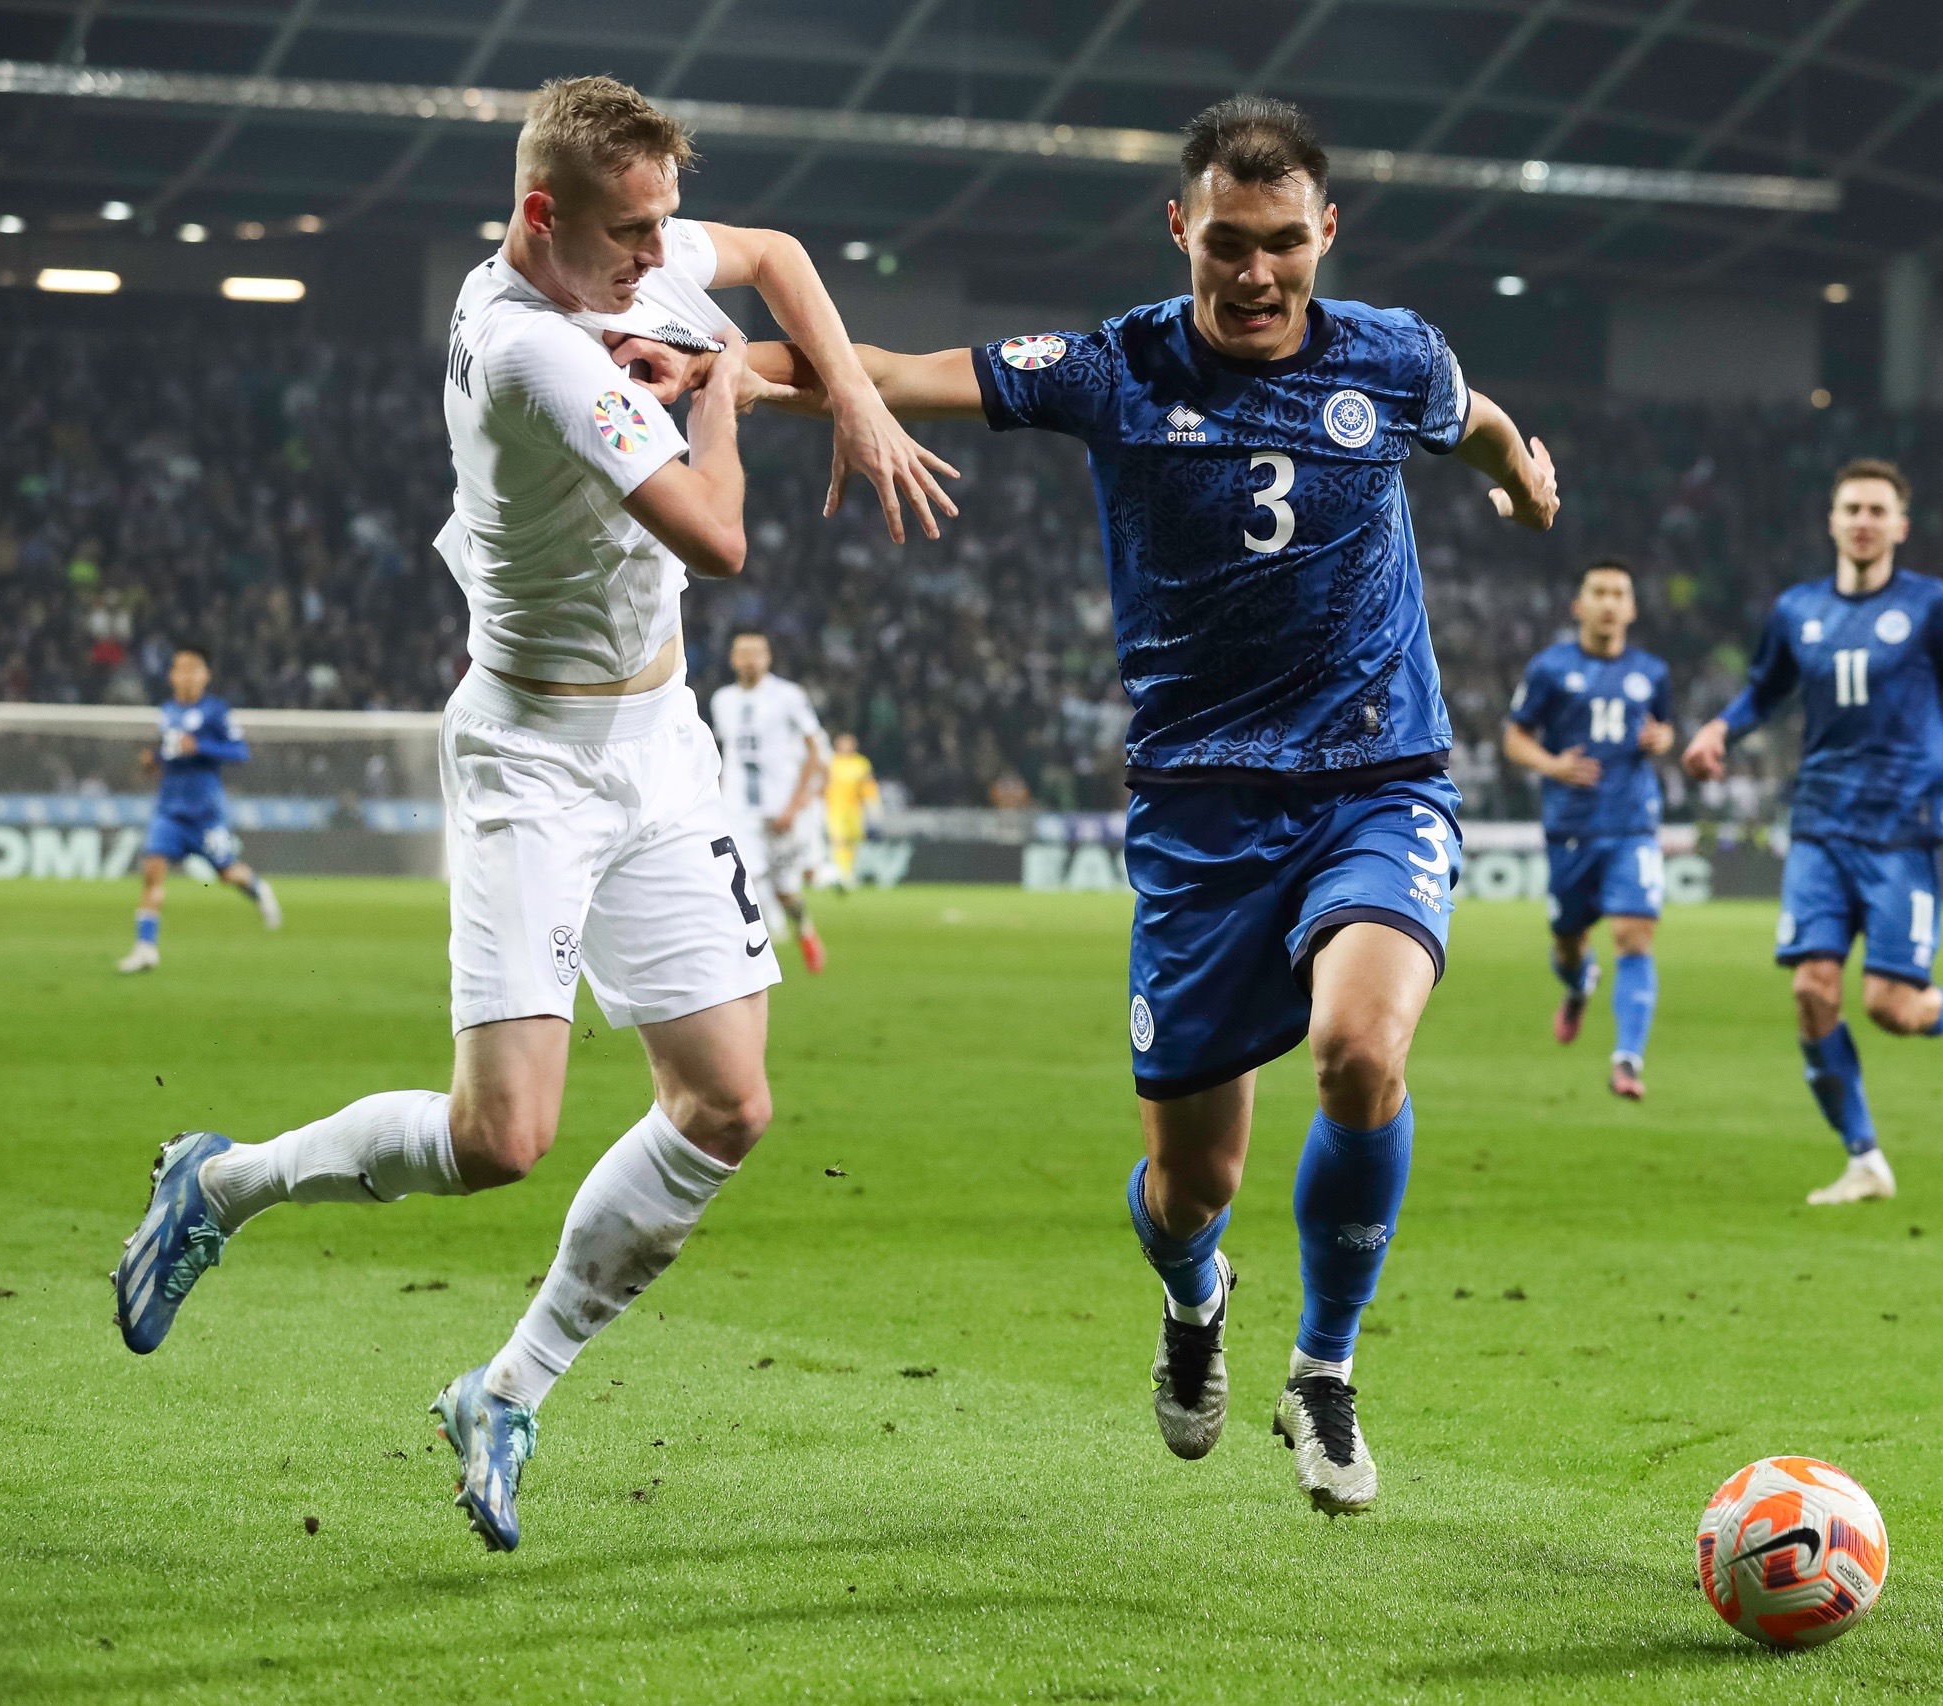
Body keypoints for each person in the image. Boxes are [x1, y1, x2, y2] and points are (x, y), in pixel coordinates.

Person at [630, 95, 1558, 1513]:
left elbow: (1473, 419)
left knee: (1360, 1051)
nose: (1257, 274)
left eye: (1285, 243)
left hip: (1376, 776)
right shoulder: (1114, 366)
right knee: (1192, 1187)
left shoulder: (1393, 355)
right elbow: (898, 369)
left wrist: (1520, 480)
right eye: (1228, 243)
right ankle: (1195, 1297)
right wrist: (728, 370)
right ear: (1180, 228)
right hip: (1198, 814)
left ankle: (1324, 1366)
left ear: (1327, 233)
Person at [111, 75, 957, 1554]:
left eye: (664, 224)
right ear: (540, 214)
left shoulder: (619, 269)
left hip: (661, 742)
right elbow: (721, 536)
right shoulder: (529, 354)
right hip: (534, 756)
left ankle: (506, 1387)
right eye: (630, 234)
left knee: (728, 1103)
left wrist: (852, 389)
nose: (658, 255)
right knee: (501, 1135)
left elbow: (775, 258)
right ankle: (225, 1182)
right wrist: (726, 393)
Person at [1681, 458, 1943, 1207]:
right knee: (1812, 990)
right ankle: (1865, 1160)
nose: (1863, 521)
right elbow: (1764, 690)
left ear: (1901, 526)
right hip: (1821, 825)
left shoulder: (1930, 605)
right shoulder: (1797, 609)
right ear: (1831, 521)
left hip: (1901, 830)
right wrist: (1720, 730)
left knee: (1893, 1007)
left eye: (1877, 510)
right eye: (1852, 508)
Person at [1501, 560, 1672, 1099]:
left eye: (1619, 593)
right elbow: (1515, 737)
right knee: (1568, 945)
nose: (1609, 602)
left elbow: (1663, 728)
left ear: (1632, 608)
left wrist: (1662, 740)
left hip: (1632, 823)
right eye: (1599, 592)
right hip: (1571, 827)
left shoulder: (1651, 672)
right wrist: (1552, 766)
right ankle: (1579, 986)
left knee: (1634, 935)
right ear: (1579, 606)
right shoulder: (1550, 668)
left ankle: (1627, 1060)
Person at [117, 643, 281, 973]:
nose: (187, 676)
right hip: (168, 812)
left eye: (193, 669)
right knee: (152, 873)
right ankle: (146, 949)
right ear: (172, 676)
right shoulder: (167, 712)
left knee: (226, 873)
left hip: (205, 813)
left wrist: (201, 746)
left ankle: (258, 888)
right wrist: (153, 762)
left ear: (205, 676)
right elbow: (171, 754)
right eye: (181, 669)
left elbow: (240, 752)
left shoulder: (216, 711)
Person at [707, 630, 832, 970]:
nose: (749, 660)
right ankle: (757, 944)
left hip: (779, 808)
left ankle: (804, 930)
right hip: (738, 808)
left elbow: (815, 749)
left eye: (756, 653)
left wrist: (795, 805)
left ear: (768, 658)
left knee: (785, 890)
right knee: (741, 875)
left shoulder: (788, 696)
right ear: (732, 659)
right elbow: (723, 752)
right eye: (742, 653)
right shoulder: (722, 700)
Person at [823, 731, 880, 885]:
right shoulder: (830, 762)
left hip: (854, 809)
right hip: (835, 809)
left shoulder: (861, 763)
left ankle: (848, 871)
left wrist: (873, 804)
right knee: (838, 840)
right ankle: (841, 873)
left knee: (852, 842)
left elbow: (868, 785)